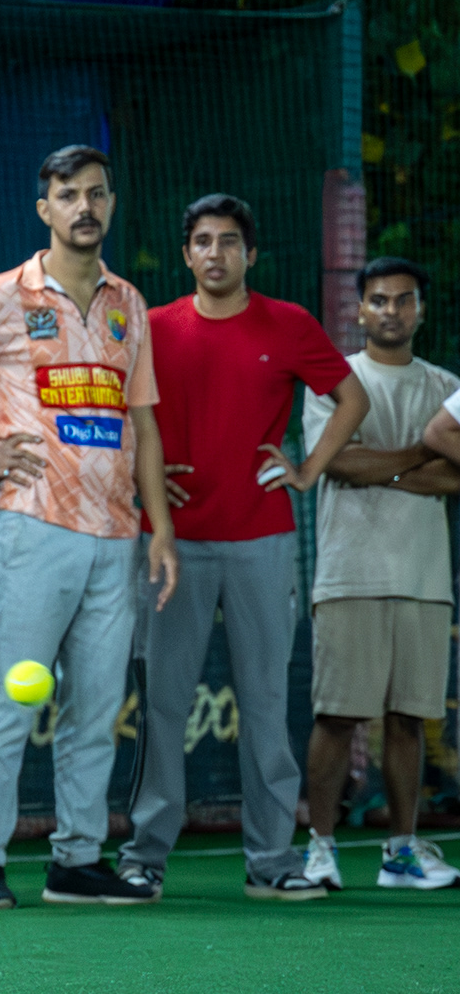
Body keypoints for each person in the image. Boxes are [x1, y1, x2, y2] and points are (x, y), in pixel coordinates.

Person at [0, 144, 178, 910]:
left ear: (110, 204)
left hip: (117, 535)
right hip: (34, 527)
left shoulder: (128, 303)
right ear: (44, 208)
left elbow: (143, 423)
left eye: (97, 193)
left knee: (96, 709)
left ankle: (77, 860)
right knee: (12, 698)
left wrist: (159, 527)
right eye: (68, 194)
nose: (85, 206)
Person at [115, 195, 367, 902]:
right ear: (186, 254)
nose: (216, 253)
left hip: (262, 540)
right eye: (203, 241)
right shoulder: (152, 328)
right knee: (163, 706)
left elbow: (353, 400)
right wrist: (142, 477)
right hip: (170, 545)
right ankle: (144, 856)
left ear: (250, 254)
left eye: (229, 241)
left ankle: (272, 860)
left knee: (264, 703)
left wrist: (306, 470)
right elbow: (121, 417)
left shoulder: (289, 324)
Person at [299, 257, 460, 889]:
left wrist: (380, 464)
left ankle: (401, 852)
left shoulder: (446, 385)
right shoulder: (333, 383)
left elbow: (455, 477)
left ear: (421, 310)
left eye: (404, 299)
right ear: (360, 310)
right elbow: (337, 463)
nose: (392, 310)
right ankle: (320, 848)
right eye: (380, 300)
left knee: (409, 721)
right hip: (350, 574)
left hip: (425, 578)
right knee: (337, 718)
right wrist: (424, 450)